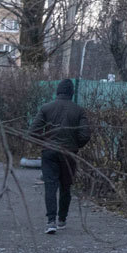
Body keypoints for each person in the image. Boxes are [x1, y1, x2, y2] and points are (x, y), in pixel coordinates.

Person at [29, 78, 91, 233]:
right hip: (69, 153)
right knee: (66, 186)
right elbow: (85, 135)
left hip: (49, 152)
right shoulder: (78, 110)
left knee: (50, 186)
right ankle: (62, 219)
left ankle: (51, 221)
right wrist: (75, 146)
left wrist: (45, 143)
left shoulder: (46, 108)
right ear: (72, 93)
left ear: (58, 91)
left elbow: (32, 132)